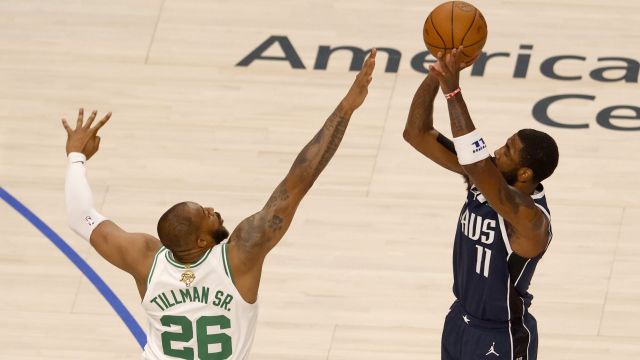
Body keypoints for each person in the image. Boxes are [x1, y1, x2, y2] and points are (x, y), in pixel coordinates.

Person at [62, 49, 377, 360]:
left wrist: (76, 155)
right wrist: (346, 109)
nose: (213, 211)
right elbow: (298, 180)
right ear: (200, 240)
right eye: (206, 215)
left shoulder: (144, 258)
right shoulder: (240, 254)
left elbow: (81, 217)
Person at [403, 46, 559, 360]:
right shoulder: (485, 176)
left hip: (500, 337)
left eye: (508, 150)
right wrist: (436, 75)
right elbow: (415, 133)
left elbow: (477, 167)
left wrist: (453, 91)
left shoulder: (531, 220)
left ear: (525, 173)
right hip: (459, 322)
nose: (498, 151)